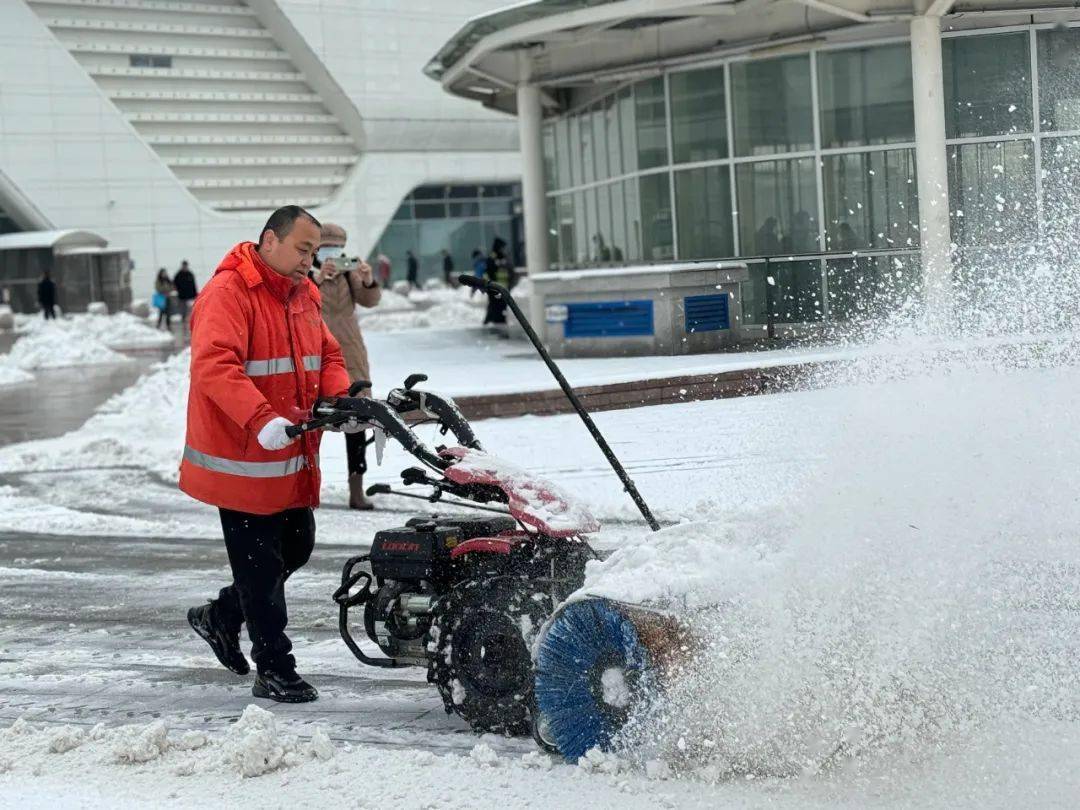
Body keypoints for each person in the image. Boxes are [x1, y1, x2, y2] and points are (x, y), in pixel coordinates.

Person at [182, 205, 353, 704]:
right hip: (241, 458)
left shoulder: (303, 295)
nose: (309, 260)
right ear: (269, 241)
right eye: (302, 249)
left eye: (314, 251)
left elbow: (330, 356)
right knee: (260, 569)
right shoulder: (228, 293)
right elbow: (214, 367)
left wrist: (343, 396)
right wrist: (260, 419)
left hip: (288, 455)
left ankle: (220, 615)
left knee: (295, 548)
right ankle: (274, 667)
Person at [311, 223, 381, 510]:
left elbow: (370, 301)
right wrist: (317, 277)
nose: (334, 252)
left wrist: (366, 280)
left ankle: (357, 490)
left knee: (356, 422)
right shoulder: (304, 272)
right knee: (313, 423)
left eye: (338, 247)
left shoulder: (350, 270)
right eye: (328, 246)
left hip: (350, 352)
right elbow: (293, 299)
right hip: (317, 351)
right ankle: (307, 488)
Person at [483, 237, 515, 327]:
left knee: (501, 306)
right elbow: (489, 271)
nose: (503, 249)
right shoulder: (493, 257)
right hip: (495, 287)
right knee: (495, 305)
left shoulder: (503, 256)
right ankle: (494, 321)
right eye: (502, 247)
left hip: (504, 286)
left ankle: (498, 321)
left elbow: (510, 270)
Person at [173, 260, 198, 332]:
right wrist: (178, 291)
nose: (185, 267)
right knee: (183, 309)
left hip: (190, 296)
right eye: (184, 266)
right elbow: (175, 284)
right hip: (182, 296)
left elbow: (193, 284)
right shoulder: (178, 274)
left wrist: (195, 294)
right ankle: (184, 321)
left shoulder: (190, 274)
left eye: (186, 266)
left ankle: (189, 321)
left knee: (190, 310)